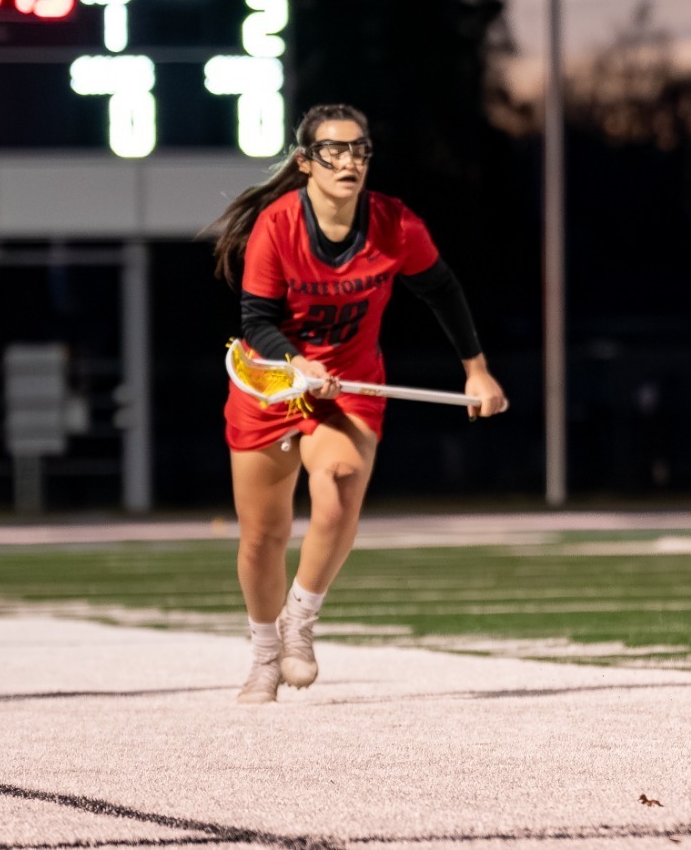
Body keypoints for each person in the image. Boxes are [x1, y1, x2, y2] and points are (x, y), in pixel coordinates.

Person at [207, 104, 507, 704]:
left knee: (341, 481)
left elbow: (441, 288)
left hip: (348, 383)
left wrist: (476, 371)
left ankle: (299, 622)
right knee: (263, 536)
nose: (348, 161)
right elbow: (256, 319)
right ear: (305, 162)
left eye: (358, 150)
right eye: (333, 151)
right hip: (273, 383)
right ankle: (264, 657)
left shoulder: (395, 224)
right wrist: (298, 363)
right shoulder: (277, 225)